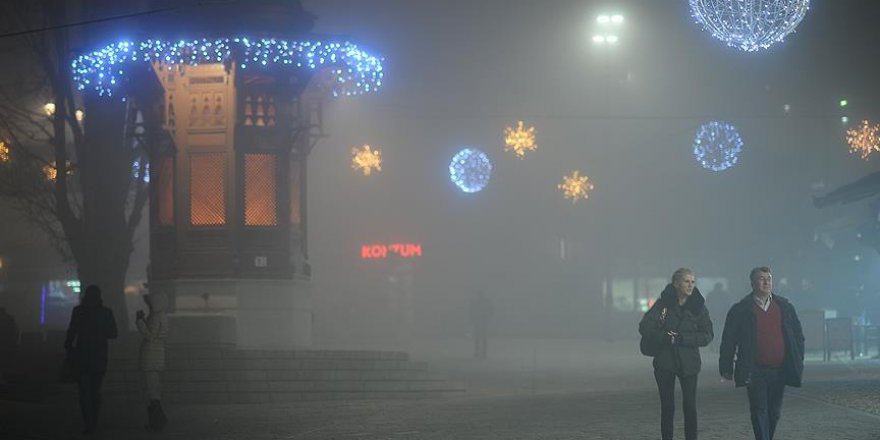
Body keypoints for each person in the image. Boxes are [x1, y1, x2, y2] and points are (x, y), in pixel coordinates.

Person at [719, 267, 804, 440]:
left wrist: (797, 358)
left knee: (774, 412)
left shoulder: (784, 307)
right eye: (761, 279)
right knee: (759, 410)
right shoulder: (741, 310)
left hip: (779, 369)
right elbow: (728, 340)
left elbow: (797, 336)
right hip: (754, 369)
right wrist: (725, 366)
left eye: (769, 278)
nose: (766, 282)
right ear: (752, 283)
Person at [639, 268, 713, 440]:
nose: (690, 285)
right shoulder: (663, 305)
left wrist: (682, 338)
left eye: (693, 282)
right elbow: (644, 326)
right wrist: (664, 337)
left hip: (689, 363)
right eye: (686, 281)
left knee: (690, 406)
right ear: (676, 283)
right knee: (667, 407)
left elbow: (707, 335)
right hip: (665, 361)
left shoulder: (699, 307)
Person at [64, 285, 118, 435]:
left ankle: (88, 422)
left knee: (84, 392)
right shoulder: (106, 313)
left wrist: (68, 348)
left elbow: (71, 331)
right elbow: (114, 333)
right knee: (95, 391)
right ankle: (93, 422)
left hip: (82, 355)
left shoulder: (79, 312)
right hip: (99, 355)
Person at [136, 292, 169, 432]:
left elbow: (150, 335)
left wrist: (140, 321)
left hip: (151, 356)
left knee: (151, 392)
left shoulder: (156, 317)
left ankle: (156, 421)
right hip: (157, 355)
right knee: (154, 390)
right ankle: (159, 419)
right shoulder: (162, 316)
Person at [469, 290, 493, 360]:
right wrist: (488, 317)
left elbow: (471, 312)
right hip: (483, 322)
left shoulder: (476, 302)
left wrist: (472, 320)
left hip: (479, 322)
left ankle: (478, 352)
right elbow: (491, 310)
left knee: (479, 338)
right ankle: (483, 352)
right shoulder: (486, 302)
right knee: (482, 338)